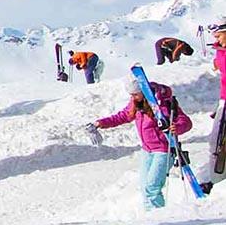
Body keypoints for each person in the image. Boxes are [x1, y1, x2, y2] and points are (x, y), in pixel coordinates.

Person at [89, 77, 192, 209]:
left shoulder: (163, 104)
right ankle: (151, 214)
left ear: (144, 92)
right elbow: (122, 116)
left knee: (152, 187)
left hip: (164, 150)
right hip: (147, 151)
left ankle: (158, 216)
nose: (133, 98)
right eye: (131, 95)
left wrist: (177, 127)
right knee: (145, 188)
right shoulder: (136, 104)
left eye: (135, 94)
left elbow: (185, 122)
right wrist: (100, 123)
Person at [194, 23, 226, 194]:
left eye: (219, 35)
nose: (216, 39)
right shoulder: (221, 50)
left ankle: (218, 181)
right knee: (217, 141)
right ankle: (217, 180)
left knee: (218, 141)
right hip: (223, 100)